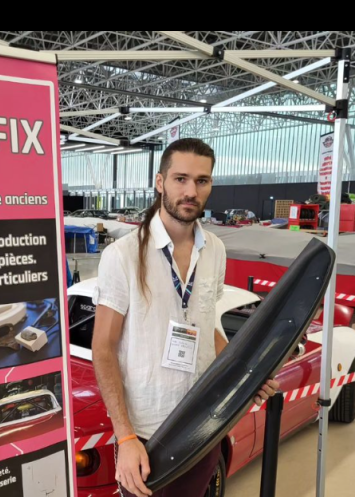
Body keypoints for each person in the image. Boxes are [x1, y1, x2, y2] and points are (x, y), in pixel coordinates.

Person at [92, 138, 279, 497]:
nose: (191, 191)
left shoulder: (216, 250)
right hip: (148, 433)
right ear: (160, 182)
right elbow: (103, 348)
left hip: (205, 421)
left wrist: (247, 375)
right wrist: (125, 436)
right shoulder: (123, 255)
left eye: (202, 181)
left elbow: (207, 329)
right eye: (180, 179)